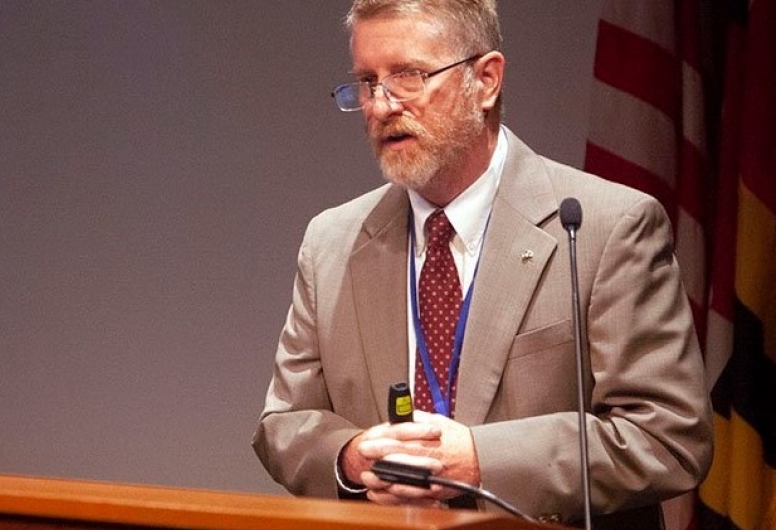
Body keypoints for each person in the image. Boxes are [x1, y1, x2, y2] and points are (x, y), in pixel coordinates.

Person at [251, 1, 713, 528]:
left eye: (408, 77)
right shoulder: (331, 241)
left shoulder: (607, 227)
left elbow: (667, 436)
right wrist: (351, 457)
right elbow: (284, 424)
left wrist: (478, 460)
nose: (380, 106)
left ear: (486, 80)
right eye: (366, 81)